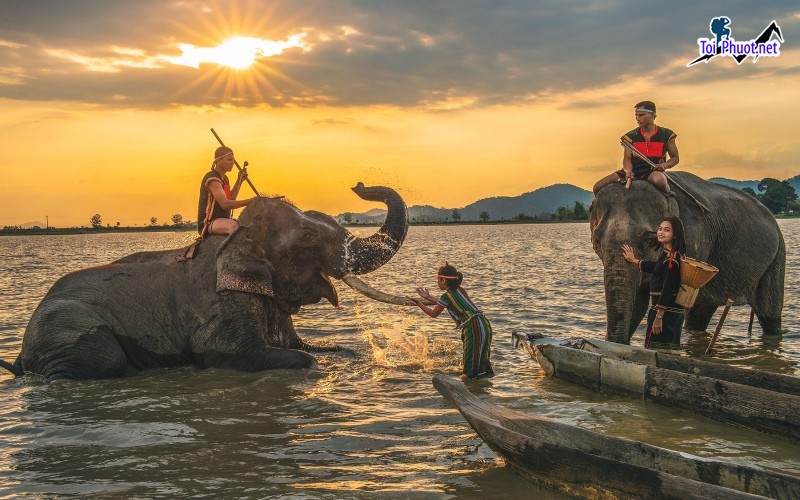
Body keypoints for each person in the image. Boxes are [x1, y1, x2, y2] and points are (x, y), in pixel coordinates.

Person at [408, 263, 493, 378]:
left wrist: (419, 303)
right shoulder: (460, 290)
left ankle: (472, 387)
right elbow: (445, 303)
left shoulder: (446, 296)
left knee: (470, 365)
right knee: (482, 359)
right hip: (484, 323)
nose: (437, 282)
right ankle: (483, 389)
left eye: (438, 279)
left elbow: (434, 313)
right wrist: (427, 297)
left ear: (443, 281)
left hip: (473, 327)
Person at [621, 216, 687, 349]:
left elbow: (668, 288)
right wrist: (635, 261)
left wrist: (659, 317)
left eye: (667, 230)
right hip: (669, 312)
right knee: (666, 348)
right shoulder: (669, 255)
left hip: (665, 313)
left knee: (659, 348)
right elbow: (657, 267)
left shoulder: (671, 260)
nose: (661, 232)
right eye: (660, 229)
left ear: (675, 235)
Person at [593, 101, 679, 194]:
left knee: (660, 180)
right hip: (633, 172)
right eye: (636, 115)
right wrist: (628, 172)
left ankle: (669, 196)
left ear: (652, 115)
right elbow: (627, 159)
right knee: (597, 186)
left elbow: (675, 158)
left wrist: (663, 166)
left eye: (641, 115)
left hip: (652, 172)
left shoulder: (666, 134)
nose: (638, 119)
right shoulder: (630, 136)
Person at [197, 146, 254, 236]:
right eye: (229, 160)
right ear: (218, 161)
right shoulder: (213, 178)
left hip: (222, 220)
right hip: (209, 222)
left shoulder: (225, 179)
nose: (233, 163)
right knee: (234, 227)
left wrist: (240, 180)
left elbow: (231, 198)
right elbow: (225, 204)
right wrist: (251, 201)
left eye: (233, 160)